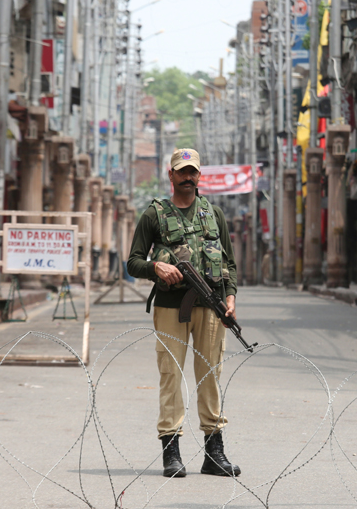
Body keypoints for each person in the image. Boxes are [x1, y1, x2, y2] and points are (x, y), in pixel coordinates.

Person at [126, 148, 240, 479]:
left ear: (199, 176)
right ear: (171, 175)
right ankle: (171, 452)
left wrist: (230, 297)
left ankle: (214, 453)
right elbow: (133, 261)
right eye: (182, 171)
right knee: (171, 376)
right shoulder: (154, 215)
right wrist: (156, 267)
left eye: (193, 172)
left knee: (210, 377)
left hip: (212, 307)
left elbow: (228, 263)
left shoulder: (214, 214)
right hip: (169, 307)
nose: (188, 177)